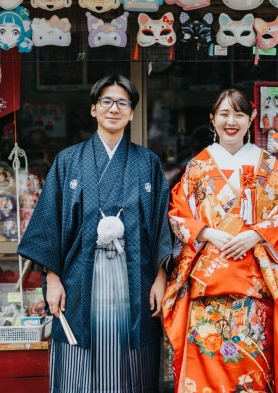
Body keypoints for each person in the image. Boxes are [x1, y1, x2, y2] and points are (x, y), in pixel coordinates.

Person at [18, 75, 172, 393]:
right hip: (78, 279)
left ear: (131, 113)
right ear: (93, 109)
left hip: (136, 278)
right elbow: (49, 224)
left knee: (134, 361)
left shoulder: (148, 163)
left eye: (122, 103)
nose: (113, 109)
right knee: (78, 365)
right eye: (106, 101)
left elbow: (161, 224)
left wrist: (160, 277)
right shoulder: (68, 161)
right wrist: (53, 278)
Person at [162, 89, 278, 393]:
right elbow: (177, 212)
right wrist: (206, 232)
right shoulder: (198, 166)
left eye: (238, 114)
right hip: (207, 287)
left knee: (250, 366)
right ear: (213, 120)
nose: (231, 121)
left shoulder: (267, 166)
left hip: (253, 286)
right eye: (224, 114)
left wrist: (256, 234)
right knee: (205, 367)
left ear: (251, 120)